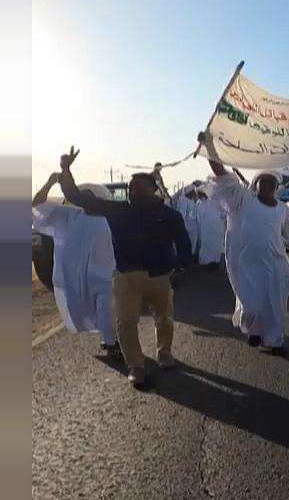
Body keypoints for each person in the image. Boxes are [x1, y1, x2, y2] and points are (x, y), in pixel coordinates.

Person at [57, 146, 192, 387]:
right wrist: (65, 170)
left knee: (164, 319)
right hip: (126, 277)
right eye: (130, 188)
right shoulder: (118, 211)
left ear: (153, 189)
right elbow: (78, 197)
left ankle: (164, 352)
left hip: (161, 277)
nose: (133, 192)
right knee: (125, 322)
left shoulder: (170, 215)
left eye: (138, 188)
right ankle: (136, 366)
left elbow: (183, 243)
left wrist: (182, 269)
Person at [199, 132, 289, 355]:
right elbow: (222, 174)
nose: (268, 185)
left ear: (276, 186)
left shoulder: (283, 210)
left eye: (272, 182)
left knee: (275, 308)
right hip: (247, 266)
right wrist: (209, 147)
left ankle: (275, 342)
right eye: (264, 181)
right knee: (252, 307)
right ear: (256, 183)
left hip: (276, 266)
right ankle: (254, 331)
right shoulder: (243, 200)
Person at [32, 172, 119, 357]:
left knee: (107, 312)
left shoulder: (112, 217)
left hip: (106, 276)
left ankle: (111, 343)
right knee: (87, 311)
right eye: (82, 197)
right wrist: (49, 182)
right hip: (78, 277)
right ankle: (111, 342)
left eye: (89, 197)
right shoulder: (69, 216)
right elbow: (37, 205)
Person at [195, 189, 226, 269]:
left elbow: (224, 214)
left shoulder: (217, 202)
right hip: (206, 231)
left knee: (216, 247)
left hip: (216, 230)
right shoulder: (199, 204)